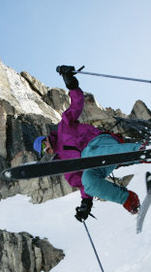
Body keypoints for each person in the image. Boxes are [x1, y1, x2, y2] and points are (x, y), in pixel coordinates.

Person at [33, 65, 143, 222]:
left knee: (87, 154)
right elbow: (82, 185)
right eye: (44, 152)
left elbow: (77, 104)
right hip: (98, 163)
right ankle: (129, 200)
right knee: (89, 181)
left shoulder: (63, 127)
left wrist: (72, 84)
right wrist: (86, 203)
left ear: (45, 139)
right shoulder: (64, 164)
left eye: (44, 146)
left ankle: (140, 151)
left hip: (99, 143)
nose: (47, 151)